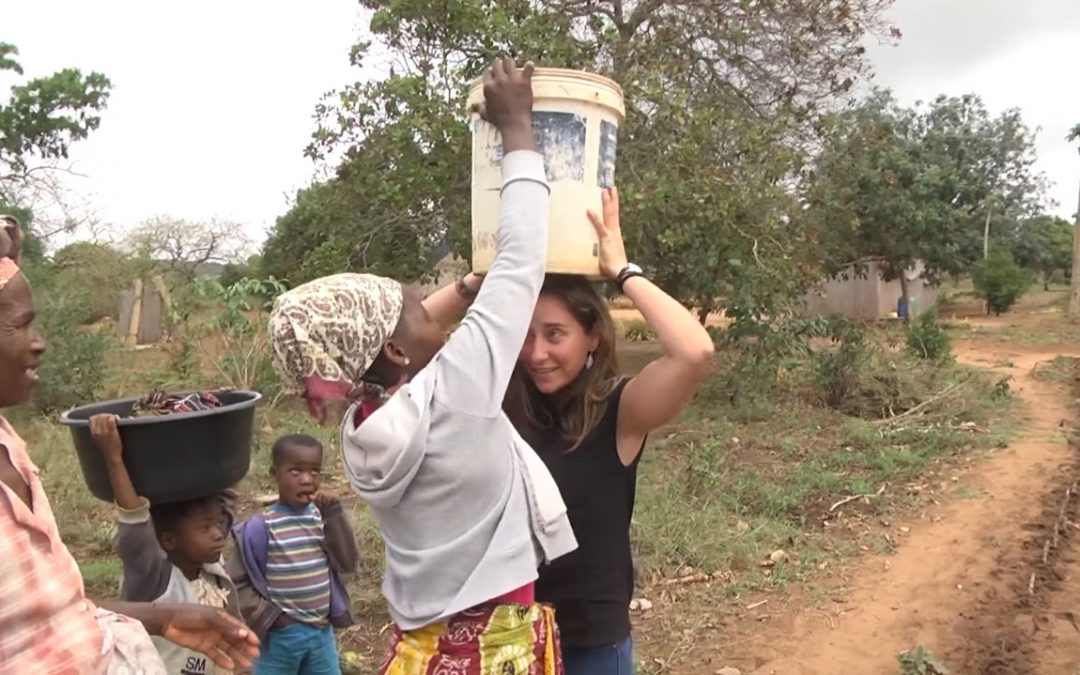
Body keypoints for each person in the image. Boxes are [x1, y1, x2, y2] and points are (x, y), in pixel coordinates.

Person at [266, 59, 576, 674]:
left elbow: (394, 345)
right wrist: (518, 128)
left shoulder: (361, 419)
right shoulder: (458, 388)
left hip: (428, 646)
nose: (434, 309)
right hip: (494, 644)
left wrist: (462, 288)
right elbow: (521, 260)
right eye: (417, 303)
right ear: (398, 350)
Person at [0, 215, 260, 674]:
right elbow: (135, 530)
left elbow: (54, 613)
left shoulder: (8, 443)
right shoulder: (153, 567)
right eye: (22, 324)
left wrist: (162, 618)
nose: (40, 344)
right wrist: (115, 457)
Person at [504, 187, 715, 674]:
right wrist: (482, 277)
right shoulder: (502, 407)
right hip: (510, 636)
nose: (536, 353)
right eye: (525, 335)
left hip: (590, 644)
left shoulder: (618, 410)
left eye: (555, 334)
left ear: (592, 336)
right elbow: (410, 344)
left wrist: (623, 270)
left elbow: (695, 351)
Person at [90, 413, 242, 675]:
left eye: (217, 524)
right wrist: (113, 458)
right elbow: (135, 526)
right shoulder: (154, 580)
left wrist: (216, 422)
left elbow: (224, 489)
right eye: (206, 528)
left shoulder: (208, 562)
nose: (218, 534)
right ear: (169, 540)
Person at [226, 434, 359, 674]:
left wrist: (335, 515)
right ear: (274, 474)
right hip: (278, 638)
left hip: (320, 632)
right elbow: (237, 582)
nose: (307, 480)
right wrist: (272, 618)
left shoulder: (323, 519)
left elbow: (347, 562)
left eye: (315, 472)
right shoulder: (261, 527)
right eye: (296, 471)